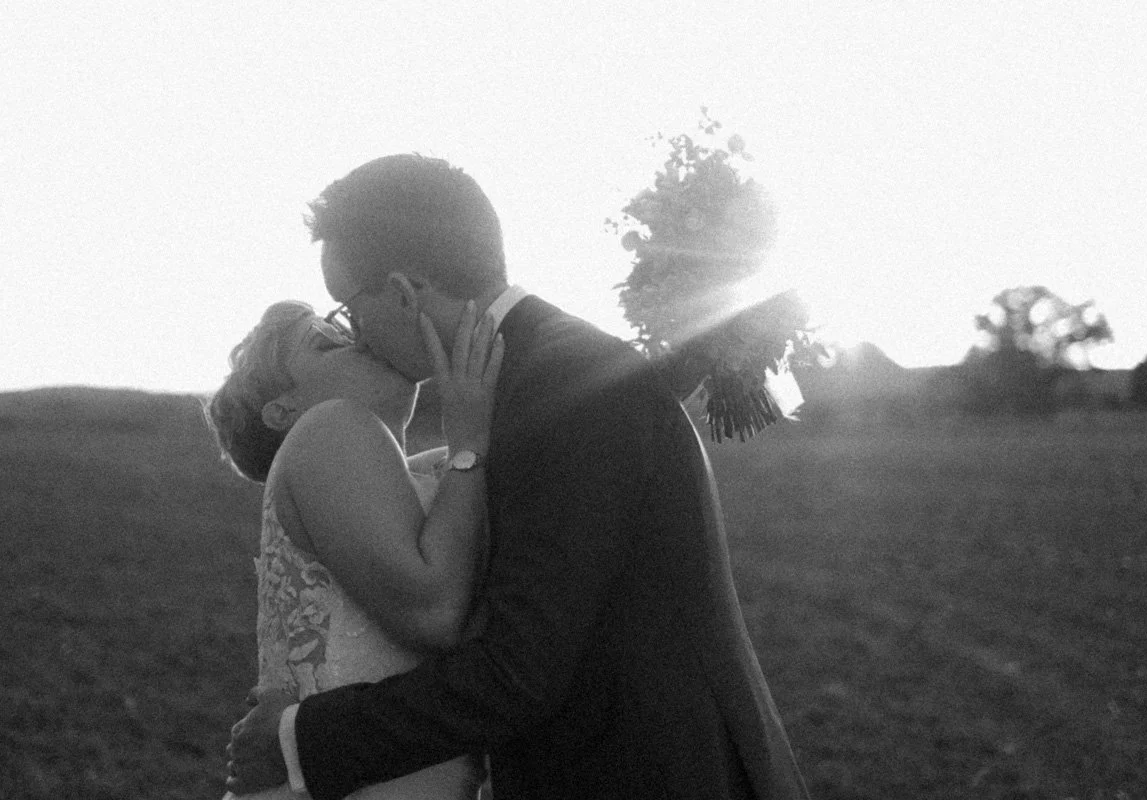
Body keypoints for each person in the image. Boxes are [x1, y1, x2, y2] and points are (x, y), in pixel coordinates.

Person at [226, 154, 806, 800]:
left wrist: (301, 739)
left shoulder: (564, 386)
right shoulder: (544, 371)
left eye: (350, 308)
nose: (355, 335)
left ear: (404, 292)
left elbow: (520, 672)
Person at [206, 297, 503, 799]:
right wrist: (469, 440)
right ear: (284, 410)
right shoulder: (327, 426)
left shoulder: (429, 473)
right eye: (326, 342)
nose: (360, 340)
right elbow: (434, 614)